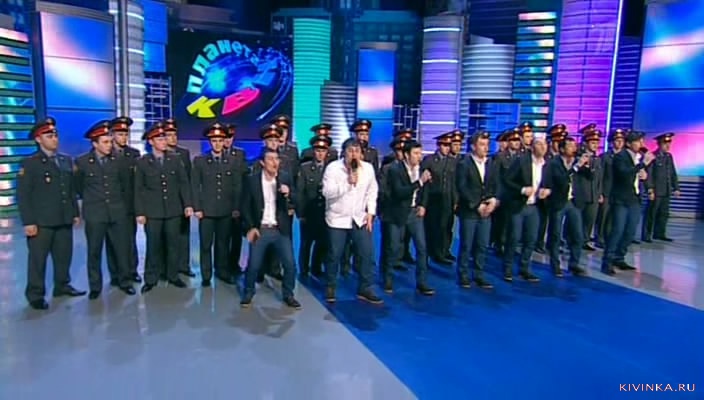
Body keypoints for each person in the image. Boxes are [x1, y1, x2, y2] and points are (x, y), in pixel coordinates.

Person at [16, 117, 86, 310]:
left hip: (63, 217)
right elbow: (23, 195)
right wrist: (28, 222)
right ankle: (35, 295)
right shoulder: (30, 163)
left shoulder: (65, 160)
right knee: (38, 260)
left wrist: (74, 212)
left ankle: (62, 285)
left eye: (55, 135)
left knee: (64, 256)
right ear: (38, 139)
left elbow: (70, 190)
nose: (54, 139)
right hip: (41, 221)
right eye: (49, 136)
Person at [74, 120, 136, 299]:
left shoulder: (118, 160)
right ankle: (95, 286)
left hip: (117, 211)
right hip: (95, 213)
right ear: (95, 144)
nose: (110, 145)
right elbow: (78, 187)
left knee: (121, 249)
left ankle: (124, 281)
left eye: (110, 141)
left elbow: (124, 185)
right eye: (105, 142)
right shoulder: (82, 162)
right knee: (94, 251)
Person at [135, 122, 193, 293]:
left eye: (164, 138)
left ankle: (173, 275)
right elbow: (138, 189)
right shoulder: (142, 162)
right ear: (151, 142)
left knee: (173, 244)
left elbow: (183, 183)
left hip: (173, 210)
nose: (164, 141)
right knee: (153, 245)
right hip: (153, 212)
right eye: (159, 139)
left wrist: (187, 204)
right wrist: (140, 212)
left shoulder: (175, 159)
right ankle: (151, 278)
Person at [321, 138, 382, 304]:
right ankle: (331, 286)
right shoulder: (333, 168)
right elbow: (327, 192)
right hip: (337, 219)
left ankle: (365, 288)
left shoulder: (368, 168)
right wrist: (346, 183)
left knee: (366, 253)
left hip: (359, 218)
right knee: (334, 255)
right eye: (350, 151)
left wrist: (371, 212)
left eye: (357, 151)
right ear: (344, 153)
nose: (354, 154)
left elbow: (372, 191)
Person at [240, 145, 300, 309]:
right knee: (253, 265)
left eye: (277, 159)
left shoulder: (285, 178)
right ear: (262, 162)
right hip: (260, 229)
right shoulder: (252, 180)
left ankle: (288, 294)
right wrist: (250, 227)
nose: (275, 162)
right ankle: (248, 292)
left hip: (280, 229)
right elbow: (245, 207)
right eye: (270, 159)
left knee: (290, 265)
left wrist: (289, 193)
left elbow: (297, 199)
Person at [192, 122, 243, 287]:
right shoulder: (200, 160)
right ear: (210, 142)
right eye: (214, 141)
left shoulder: (232, 161)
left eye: (220, 140)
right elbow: (195, 186)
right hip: (206, 211)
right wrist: (197, 208)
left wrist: (235, 207)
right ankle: (206, 275)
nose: (218, 144)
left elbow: (237, 186)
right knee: (206, 244)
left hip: (226, 210)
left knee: (223, 244)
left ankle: (222, 271)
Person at [381, 140, 434, 295]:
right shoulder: (394, 169)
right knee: (393, 248)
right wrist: (419, 182)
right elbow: (399, 192)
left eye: (420, 153)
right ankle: (388, 279)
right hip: (396, 213)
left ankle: (422, 282)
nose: (419, 156)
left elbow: (426, 190)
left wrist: (423, 204)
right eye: (416, 153)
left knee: (422, 248)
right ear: (406, 155)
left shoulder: (422, 169)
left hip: (414, 213)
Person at [601, 130, 655, 275]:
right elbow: (625, 174)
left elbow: (640, 174)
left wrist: (645, 177)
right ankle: (607, 261)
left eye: (642, 140)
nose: (641, 143)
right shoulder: (620, 157)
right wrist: (642, 165)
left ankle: (619, 257)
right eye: (638, 141)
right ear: (629, 143)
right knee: (617, 230)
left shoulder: (639, 157)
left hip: (634, 199)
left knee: (630, 231)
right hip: (621, 199)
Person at [540, 136, 589, 277]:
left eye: (574, 146)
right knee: (555, 234)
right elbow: (562, 180)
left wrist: (586, 166)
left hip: (574, 201)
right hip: (558, 202)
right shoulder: (553, 163)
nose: (573, 148)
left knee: (578, 234)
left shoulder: (577, 162)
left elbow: (589, 177)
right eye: (570, 146)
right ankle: (555, 265)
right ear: (562, 149)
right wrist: (576, 167)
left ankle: (574, 264)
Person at [501, 137, 549, 282]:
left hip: (535, 207)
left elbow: (552, 182)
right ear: (532, 147)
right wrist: (522, 190)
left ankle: (524, 268)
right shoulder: (521, 161)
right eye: (539, 144)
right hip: (518, 205)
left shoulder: (547, 164)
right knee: (514, 238)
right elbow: (507, 180)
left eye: (544, 144)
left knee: (531, 239)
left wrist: (548, 190)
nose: (543, 147)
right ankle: (508, 268)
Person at [455, 131, 499, 289]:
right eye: (482, 145)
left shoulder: (491, 163)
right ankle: (463, 274)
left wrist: (494, 200)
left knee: (482, 244)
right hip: (469, 211)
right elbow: (462, 187)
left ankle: (479, 274)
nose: (485, 148)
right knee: (467, 245)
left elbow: (495, 184)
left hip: (487, 211)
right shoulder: (464, 163)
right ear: (473, 146)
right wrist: (476, 204)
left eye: (487, 145)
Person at [108, 116, 141, 283]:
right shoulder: (106, 153)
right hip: (111, 206)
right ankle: (115, 274)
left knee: (130, 239)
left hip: (129, 205)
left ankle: (132, 270)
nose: (123, 137)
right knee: (113, 241)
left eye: (126, 134)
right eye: (120, 134)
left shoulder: (134, 154)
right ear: (112, 134)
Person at [296, 134, 333, 278]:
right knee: (306, 242)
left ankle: (316, 268)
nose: (320, 154)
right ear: (313, 151)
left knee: (322, 242)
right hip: (309, 212)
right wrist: (301, 213)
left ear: (327, 152)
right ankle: (304, 269)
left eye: (323, 151)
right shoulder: (304, 168)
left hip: (325, 212)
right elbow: (300, 192)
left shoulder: (332, 168)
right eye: (318, 150)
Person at [163, 118, 195, 278]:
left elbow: (188, 179)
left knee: (184, 234)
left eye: (174, 134)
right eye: (169, 135)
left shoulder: (184, 153)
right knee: (166, 236)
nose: (173, 138)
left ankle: (184, 265)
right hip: (165, 201)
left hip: (182, 200)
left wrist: (189, 202)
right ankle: (167, 267)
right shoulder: (159, 154)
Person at [421, 131, 457, 265]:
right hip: (433, 200)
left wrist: (456, 200)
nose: (447, 148)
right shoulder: (429, 160)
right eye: (445, 145)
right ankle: (432, 253)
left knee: (446, 227)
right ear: (439, 145)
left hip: (448, 199)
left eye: (449, 145)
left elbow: (455, 182)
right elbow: (424, 182)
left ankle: (443, 251)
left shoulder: (453, 161)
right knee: (433, 228)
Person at [642, 132, 680, 242]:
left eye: (669, 143)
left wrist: (676, 187)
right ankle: (647, 235)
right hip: (656, 191)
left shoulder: (669, 156)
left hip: (666, 190)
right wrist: (650, 189)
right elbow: (649, 175)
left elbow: (672, 173)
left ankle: (660, 233)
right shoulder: (653, 157)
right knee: (651, 213)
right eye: (665, 143)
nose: (668, 146)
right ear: (659, 144)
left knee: (664, 214)